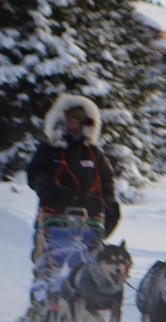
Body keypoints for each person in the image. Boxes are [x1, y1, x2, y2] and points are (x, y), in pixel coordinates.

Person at [27, 94, 120, 242]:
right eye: (71, 121)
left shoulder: (93, 153)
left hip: (87, 218)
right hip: (54, 215)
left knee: (90, 253)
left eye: (79, 122)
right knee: (49, 253)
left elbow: (105, 179)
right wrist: (49, 189)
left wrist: (109, 203)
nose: (74, 126)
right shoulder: (49, 149)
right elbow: (34, 173)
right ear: (63, 121)